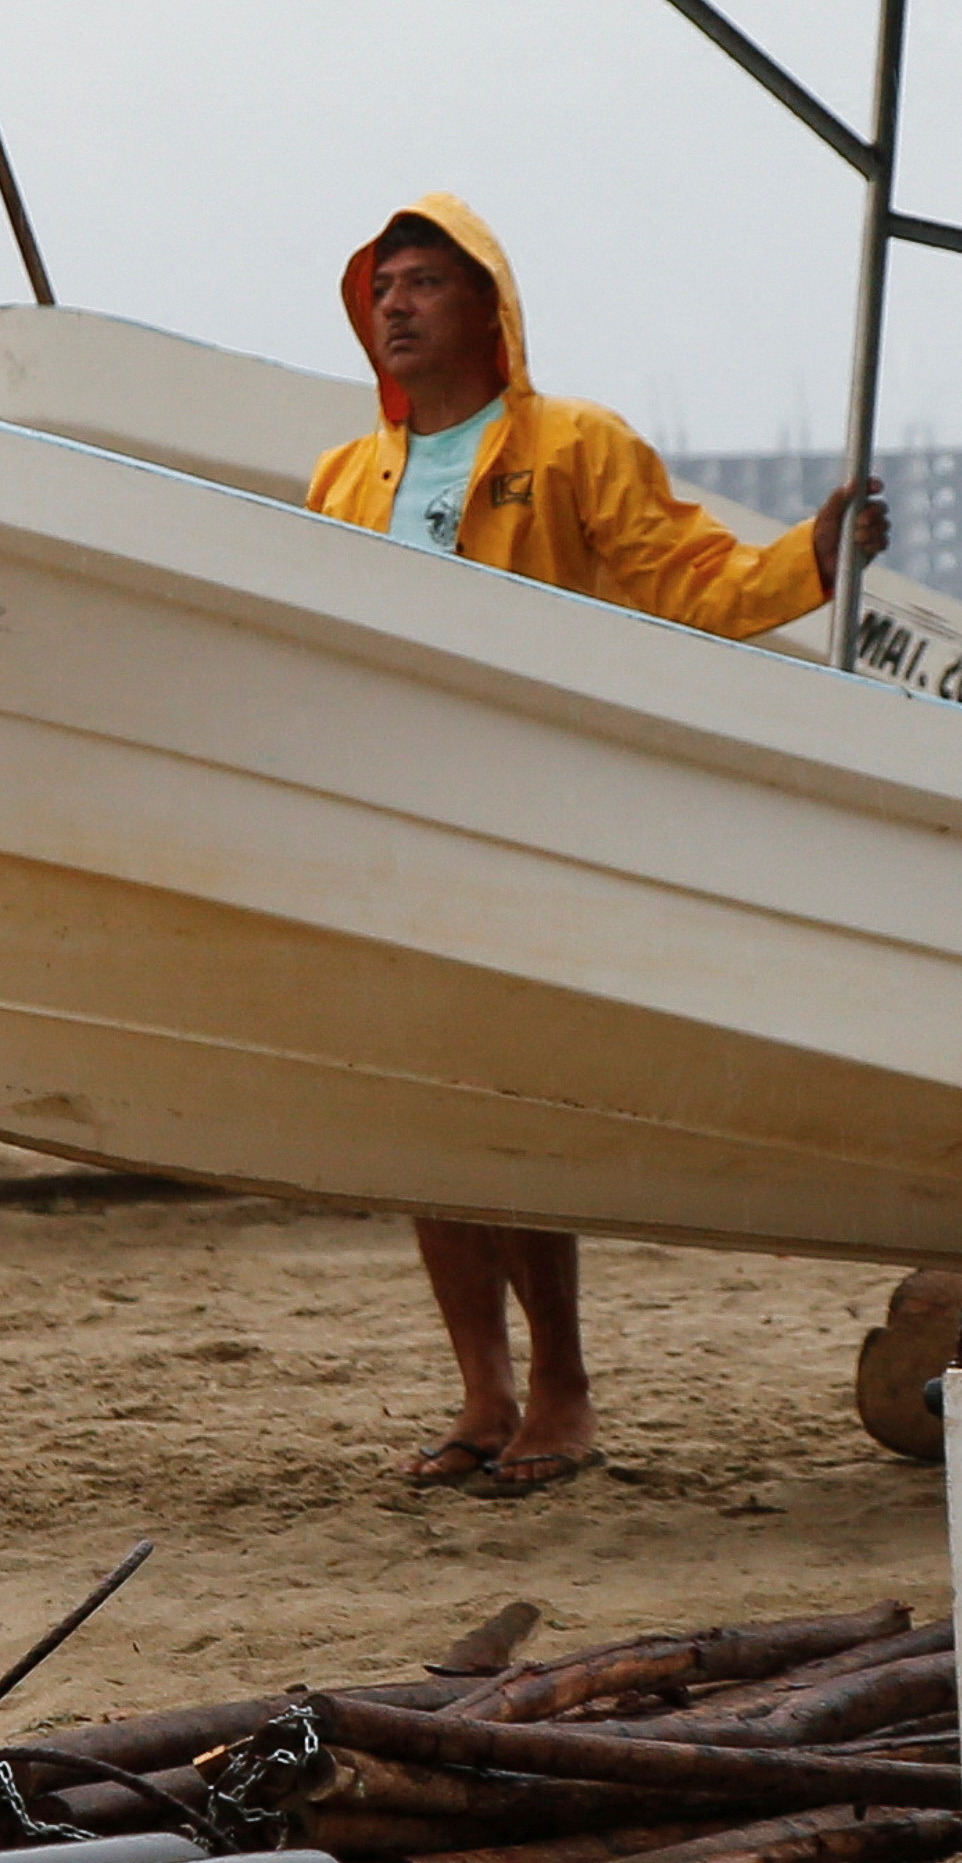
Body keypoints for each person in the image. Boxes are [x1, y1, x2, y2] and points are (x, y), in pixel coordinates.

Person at [308, 192, 879, 1492]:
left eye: (423, 282)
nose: (394, 304)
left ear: (488, 308)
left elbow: (690, 581)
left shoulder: (574, 445)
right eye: (382, 286)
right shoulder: (346, 476)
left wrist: (811, 557)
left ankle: (560, 1389)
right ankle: (482, 1392)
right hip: (394, 820)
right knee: (424, 1115)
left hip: (531, 819)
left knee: (515, 1103)